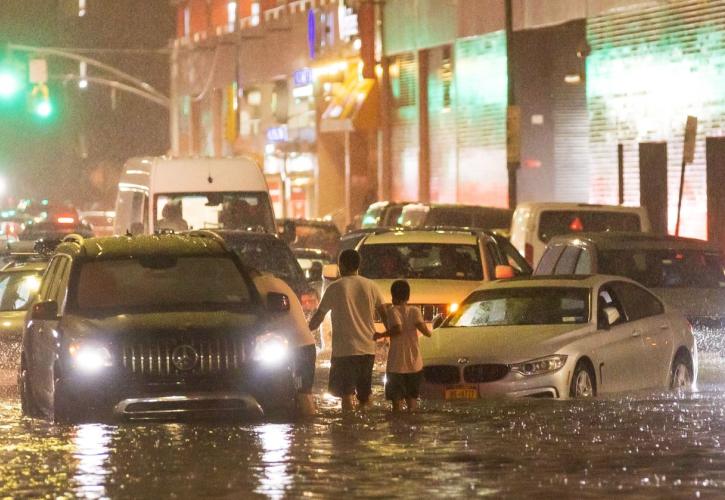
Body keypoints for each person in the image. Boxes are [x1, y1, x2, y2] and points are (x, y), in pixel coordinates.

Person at [308, 249, 387, 413]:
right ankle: (366, 428)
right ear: (358, 265)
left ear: (341, 265)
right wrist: (389, 335)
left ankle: (348, 429)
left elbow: (318, 318)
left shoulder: (335, 287)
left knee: (346, 395)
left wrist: (304, 332)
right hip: (368, 350)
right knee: (365, 396)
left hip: (345, 351)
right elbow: (386, 316)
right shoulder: (371, 286)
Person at [253, 271, 317, 417]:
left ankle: (308, 427)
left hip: (297, 349)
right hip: (304, 346)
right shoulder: (277, 282)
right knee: (303, 392)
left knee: (302, 392)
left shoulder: (257, 285)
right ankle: (306, 430)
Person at [374, 280, 432, 413]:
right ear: (408, 296)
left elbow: (398, 329)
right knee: (412, 403)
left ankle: (398, 431)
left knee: (396, 405)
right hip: (414, 364)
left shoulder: (392, 311)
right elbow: (426, 333)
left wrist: (381, 334)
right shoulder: (415, 311)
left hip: (396, 365)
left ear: (393, 297)